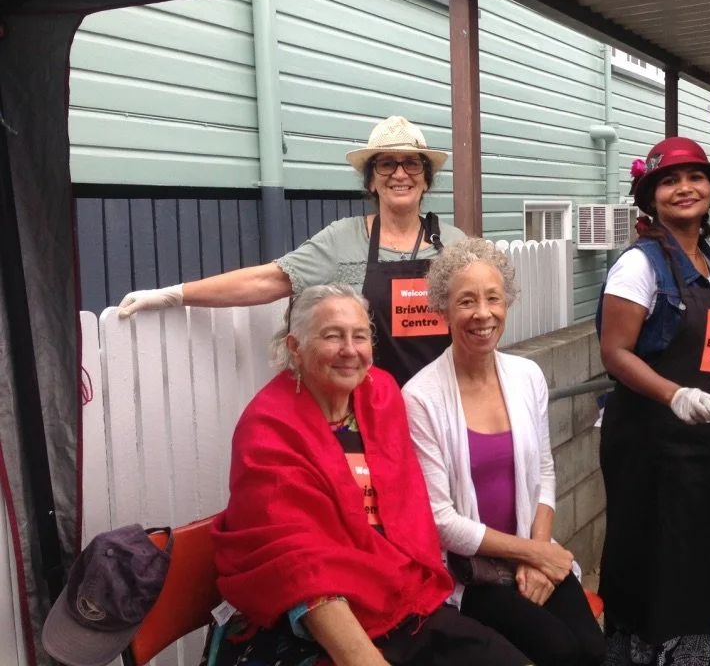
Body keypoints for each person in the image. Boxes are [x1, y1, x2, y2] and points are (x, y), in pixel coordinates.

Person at [208, 284, 531, 666]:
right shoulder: (267, 427)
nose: (350, 350)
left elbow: (408, 509)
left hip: (404, 598)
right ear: (295, 347)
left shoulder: (381, 395)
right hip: (318, 620)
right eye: (332, 336)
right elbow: (299, 565)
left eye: (360, 336)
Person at [117, 115, 465, 386]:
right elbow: (267, 280)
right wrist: (176, 295)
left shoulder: (455, 245)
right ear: (371, 180)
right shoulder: (341, 240)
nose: (399, 173)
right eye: (386, 164)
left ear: (426, 178)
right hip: (365, 411)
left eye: (411, 163)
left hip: (442, 409)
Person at [402, 238, 605, 666]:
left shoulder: (527, 375)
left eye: (493, 298)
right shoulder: (420, 397)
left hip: (531, 551)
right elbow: (440, 521)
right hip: (472, 573)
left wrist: (536, 553)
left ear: (507, 303)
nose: (483, 314)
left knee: (592, 650)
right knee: (561, 652)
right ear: (442, 310)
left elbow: (544, 470)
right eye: (466, 301)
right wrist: (534, 554)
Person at [594, 138, 710, 666]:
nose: (684, 188)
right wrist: (674, 394)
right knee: (649, 568)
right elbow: (615, 352)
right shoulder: (640, 265)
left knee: (696, 569)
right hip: (648, 447)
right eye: (669, 181)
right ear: (651, 198)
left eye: (694, 178)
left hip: (704, 446)